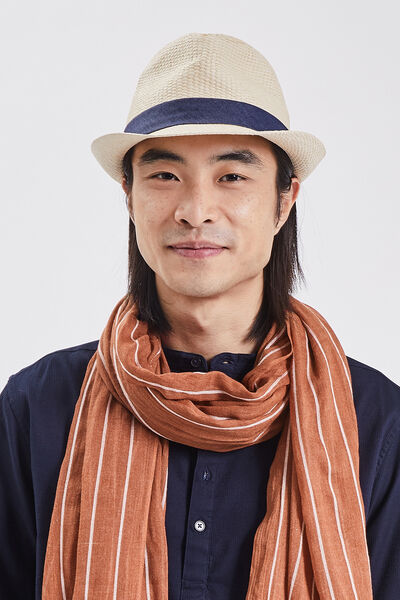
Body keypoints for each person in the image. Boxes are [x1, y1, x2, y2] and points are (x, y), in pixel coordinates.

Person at [1, 32, 399, 600]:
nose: (195, 211)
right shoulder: (38, 406)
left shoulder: (374, 420)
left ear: (285, 199)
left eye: (231, 176)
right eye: (165, 176)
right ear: (128, 195)